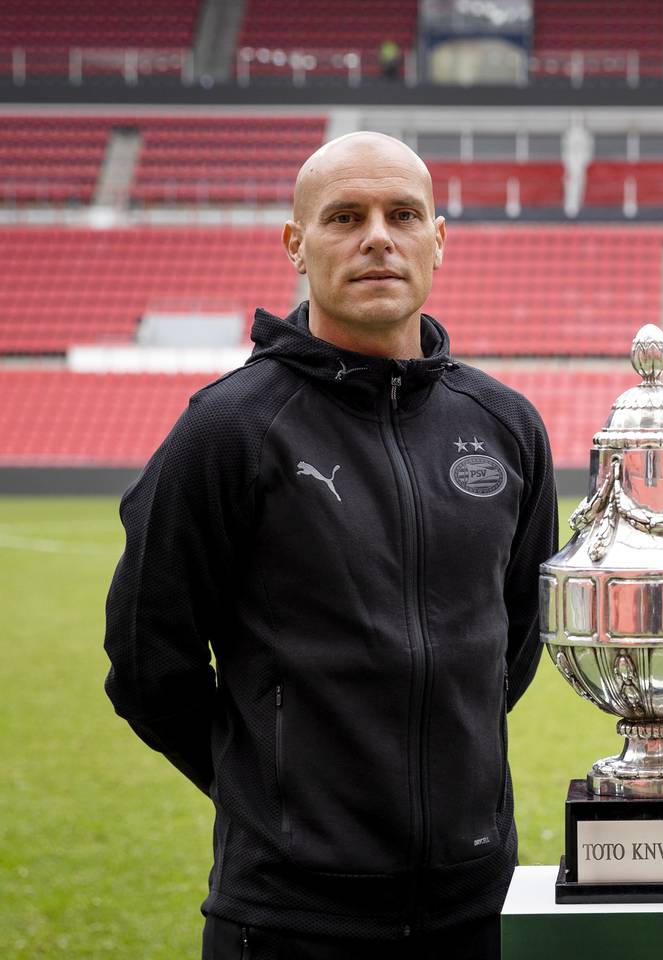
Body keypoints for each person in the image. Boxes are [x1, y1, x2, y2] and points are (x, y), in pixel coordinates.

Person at [104, 131, 557, 959]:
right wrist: (270, 794)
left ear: (438, 240)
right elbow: (147, 660)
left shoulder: (507, 426)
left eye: (403, 215)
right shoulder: (229, 429)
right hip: (289, 921)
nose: (378, 237)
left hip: (477, 908)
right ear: (296, 243)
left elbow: (519, 637)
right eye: (346, 217)